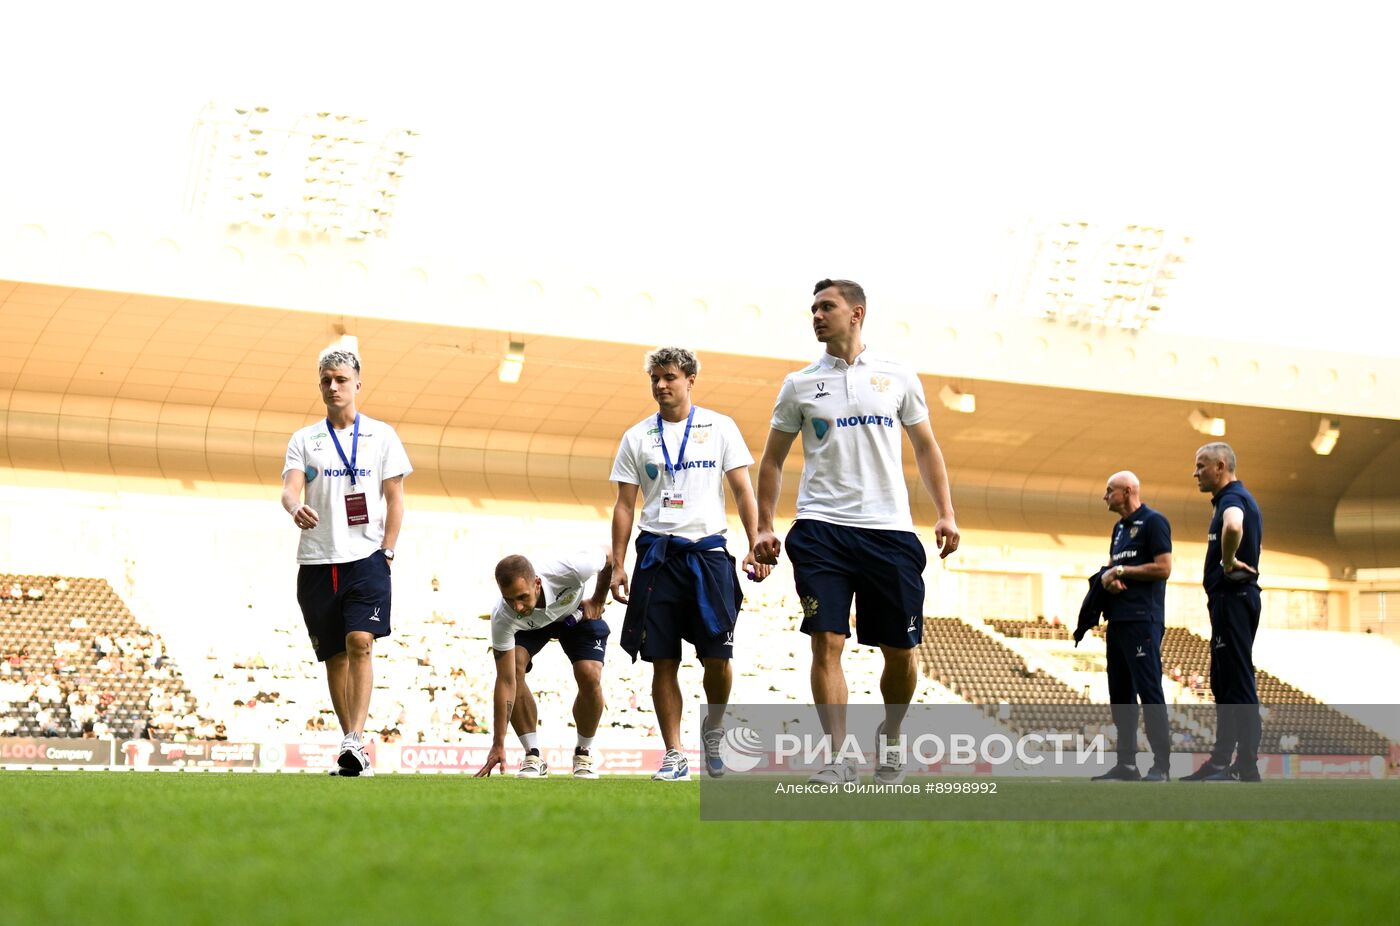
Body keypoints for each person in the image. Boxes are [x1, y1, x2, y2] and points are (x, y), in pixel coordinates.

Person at [753, 278, 959, 785]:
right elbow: (772, 460)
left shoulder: (898, 376)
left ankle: (891, 734)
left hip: (889, 531)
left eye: (827, 307)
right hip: (821, 529)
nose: (817, 316)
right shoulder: (799, 384)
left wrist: (946, 512)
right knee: (826, 640)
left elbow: (926, 447)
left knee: (902, 653)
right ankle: (837, 756)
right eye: (813, 309)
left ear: (857, 313)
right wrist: (763, 526)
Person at [610, 346, 769, 781]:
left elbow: (743, 490)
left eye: (670, 377)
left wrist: (755, 543)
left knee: (717, 658)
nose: (661, 385)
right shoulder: (636, 436)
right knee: (662, 660)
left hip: (708, 555)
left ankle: (713, 730)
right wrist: (619, 564)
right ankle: (675, 753)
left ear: (690, 380)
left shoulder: (720, 427)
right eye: (655, 378)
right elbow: (624, 505)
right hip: (657, 557)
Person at [281, 348, 411, 777]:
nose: (333, 387)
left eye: (340, 379)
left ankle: (355, 738)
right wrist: (294, 507)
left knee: (360, 641)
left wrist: (387, 550)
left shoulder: (382, 435)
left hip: (368, 557)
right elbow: (290, 489)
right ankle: (351, 745)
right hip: (317, 559)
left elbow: (395, 498)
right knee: (335, 656)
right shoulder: (304, 439)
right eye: (326, 380)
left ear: (357, 383)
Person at [474, 549, 615, 780]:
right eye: (509, 599)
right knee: (514, 667)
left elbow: (609, 556)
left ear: (537, 584)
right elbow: (506, 681)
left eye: (522, 597)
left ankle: (583, 753)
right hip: (530, 626)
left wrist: (598, 600)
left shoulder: (572, 568)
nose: (517, 607)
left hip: (575, 615)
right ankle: (532, 755)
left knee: (590, 674)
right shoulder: (504, 616)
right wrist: (498, 743)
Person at [1182, 442, 1264, 782]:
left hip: (1234, 599)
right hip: (1230, 601)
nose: (1195, 472)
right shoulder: (1231, 498)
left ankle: (1245, 765)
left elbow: (1233, 526)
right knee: (1224, 681)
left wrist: (1228, 561)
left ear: (1220, 466)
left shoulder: (1233, 499)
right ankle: (1222, 762)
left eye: (1201, 465)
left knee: (1238, 682)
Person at [1088, 471, 1173, 782]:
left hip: (1143, 620)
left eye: (1109, 490)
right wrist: (1109, 580)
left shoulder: (1154, 522)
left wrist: (1121, 570)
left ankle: (1161, 766)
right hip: (1119, 620)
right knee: (1120, 695)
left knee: (1149, 691)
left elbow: (1164, 568)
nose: (1105, 496)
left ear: (1126, 491)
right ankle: (1126, 764)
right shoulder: (1119, 529)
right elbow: (1115, 568)